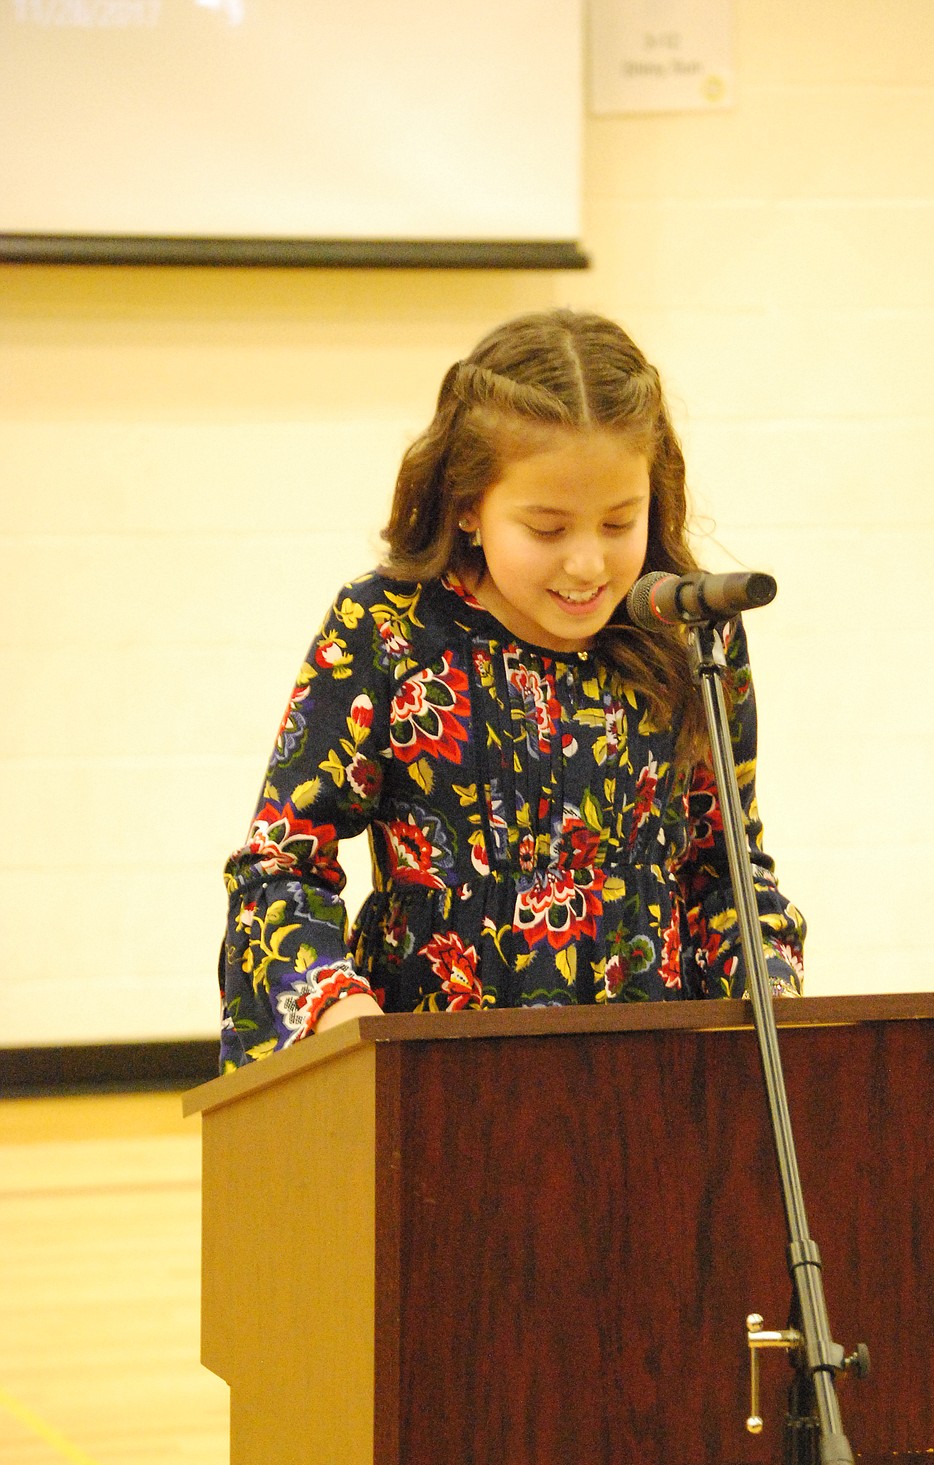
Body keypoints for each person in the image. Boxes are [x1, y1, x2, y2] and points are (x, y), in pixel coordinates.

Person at [218, 309, 805, 1072]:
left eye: (620, 521)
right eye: (548, 528)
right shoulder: (387, 627)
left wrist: (775, 988)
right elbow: (280, 867)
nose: (589, 564)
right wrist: (337, 1005)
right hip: (436, 1080)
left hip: (652, 1079)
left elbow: (724, 866)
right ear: (468, 504)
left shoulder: (690, 632)